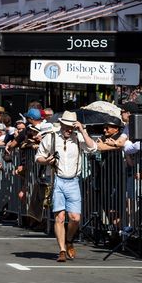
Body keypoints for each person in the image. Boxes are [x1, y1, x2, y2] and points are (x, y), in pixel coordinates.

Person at [35, 110, 95, 262]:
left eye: (72, 126)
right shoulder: (51, 137)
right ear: (61, 124)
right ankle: (62, 250)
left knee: (75, 218)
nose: (69, 129)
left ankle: (69, 240)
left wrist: (82, 130)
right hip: (57, 180)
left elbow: (93, 148)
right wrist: (47, 161)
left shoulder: (78, 137)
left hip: (73, 180)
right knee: (60, 217)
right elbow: (38, 157)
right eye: (66, 126)